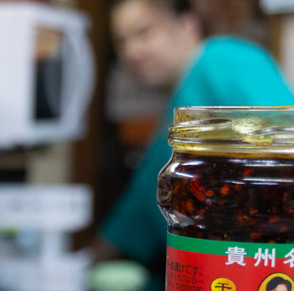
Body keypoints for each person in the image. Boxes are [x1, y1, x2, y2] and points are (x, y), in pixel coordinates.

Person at [97, 0, 294, 267]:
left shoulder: (221, 58)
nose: (132, 51)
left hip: (257, 262)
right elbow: (142, 198)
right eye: (121, 42)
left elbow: (283, 138)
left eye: (144, 32)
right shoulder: (181, 105)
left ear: (187, 24)